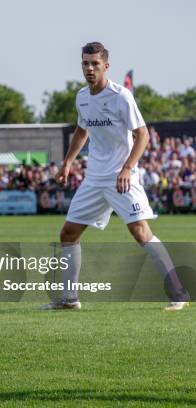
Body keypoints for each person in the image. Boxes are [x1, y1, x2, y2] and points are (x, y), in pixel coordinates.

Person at [42, 42, 189, 311]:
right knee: (68, 233)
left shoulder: (121, 96)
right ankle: (69, 299)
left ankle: (178, 292)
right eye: (85, 63)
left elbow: (142, 135)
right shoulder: (82, 97)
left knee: (140, 232)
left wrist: (127, 168)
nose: (89, 68)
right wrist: (66, 164)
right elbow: (81, 131)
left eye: (94, 63)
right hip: (94, 178)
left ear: (105, 66)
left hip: (122, 177)